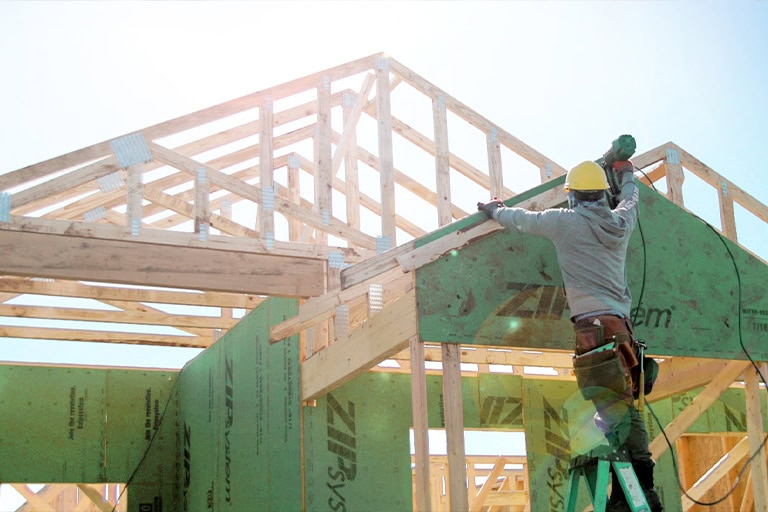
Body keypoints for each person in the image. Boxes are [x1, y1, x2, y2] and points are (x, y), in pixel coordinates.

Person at [477, 160, 663, 511]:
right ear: (602, 194)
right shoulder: (621, 222)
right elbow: (631, 198)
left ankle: (642, 489)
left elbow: (523, 220)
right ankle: (628, 492)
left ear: (573, 197)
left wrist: (494, 210)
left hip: (595, 334)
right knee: (616, 407)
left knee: (616, 408)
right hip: (620, 329)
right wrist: (626, 173)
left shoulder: (565, 222)